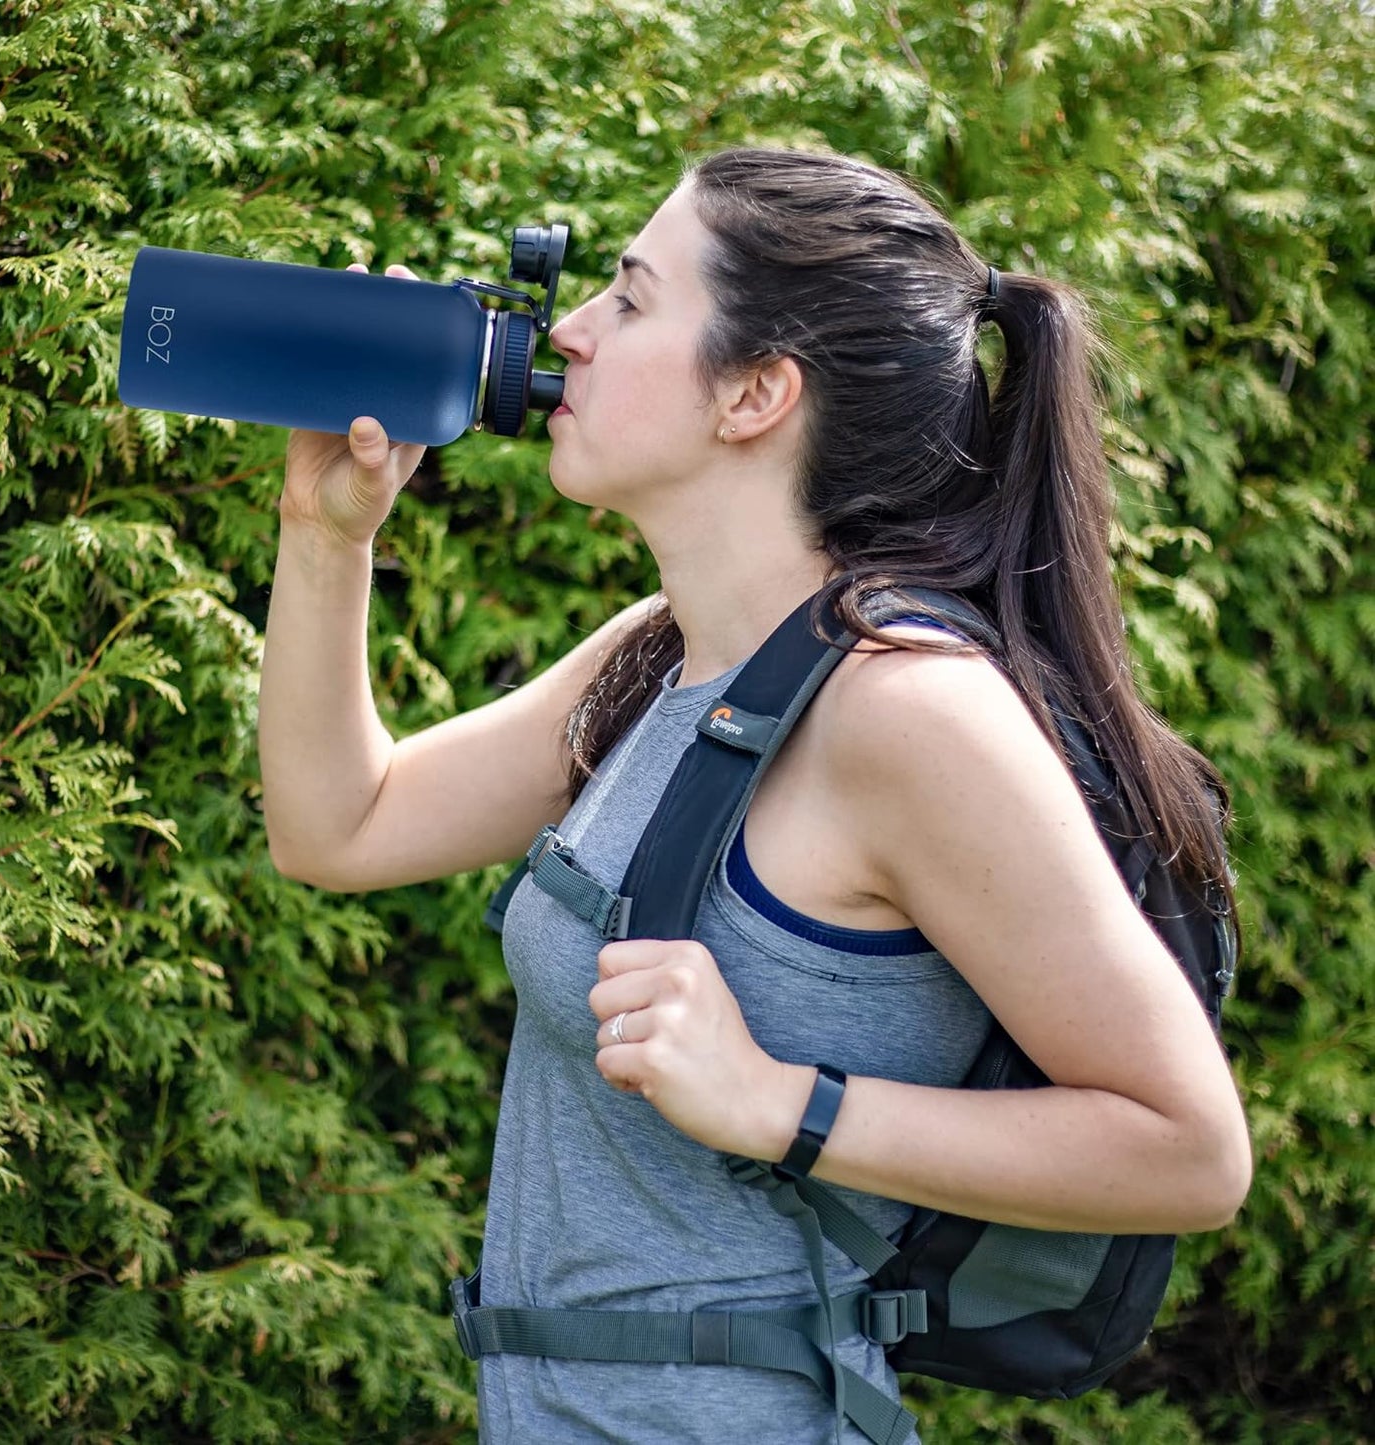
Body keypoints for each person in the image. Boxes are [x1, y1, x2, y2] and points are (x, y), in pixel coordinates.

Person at [257, 147, 1252, 1443]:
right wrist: (326, 533)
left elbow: (1187, 1148)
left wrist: (781, 1101)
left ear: (754, 393)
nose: (567, 331)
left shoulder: (906, 713)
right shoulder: (666, 648)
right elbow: (342, 826)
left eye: (625, 296)